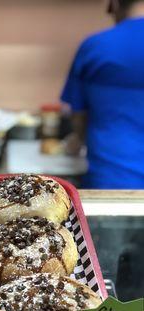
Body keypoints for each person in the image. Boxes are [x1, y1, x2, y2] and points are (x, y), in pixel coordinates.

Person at [61, 0, 144, 189]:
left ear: (114, 4)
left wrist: (77, 139)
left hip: (112, 183)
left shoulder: (95, 46)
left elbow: (78, 117)